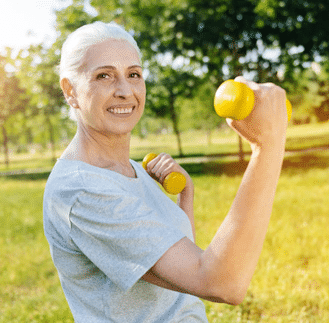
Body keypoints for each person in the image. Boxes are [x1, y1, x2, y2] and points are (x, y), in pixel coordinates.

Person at [43, 21, 288, 323]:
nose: (124, 91)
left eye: (133, 74)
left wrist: (186, 194)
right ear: (70, 90)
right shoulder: (82, 190)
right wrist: (269, 146)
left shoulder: (130, 170)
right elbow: (222, 283)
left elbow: (182, 273)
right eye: (104, 76)